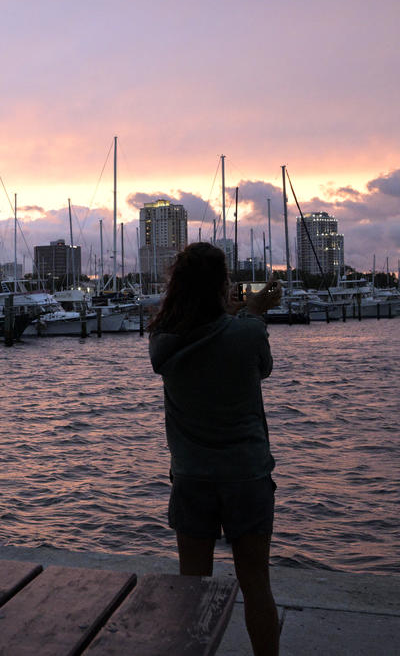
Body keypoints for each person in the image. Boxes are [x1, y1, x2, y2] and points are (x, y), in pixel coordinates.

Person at [148, 242, 283, 656]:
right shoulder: (246, 331)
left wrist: (239, 316)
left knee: (193, 588)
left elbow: (202, 335)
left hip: (191, 476)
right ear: (221, 285)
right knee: (256, 584)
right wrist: (252, 313)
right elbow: (261, 369)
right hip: (247, 475)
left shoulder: (163, 342)